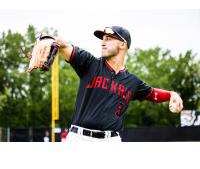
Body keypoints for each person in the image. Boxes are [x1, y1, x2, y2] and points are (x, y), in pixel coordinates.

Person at [55, 26, 183, 142]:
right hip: (79, 139)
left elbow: (153, 94)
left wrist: (171, 94)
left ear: (122, 44)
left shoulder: (133, 82)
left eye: (108, 39)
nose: (103, 43)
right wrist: (48, 40)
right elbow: (64, 47)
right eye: (102, 39)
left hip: (111, 140)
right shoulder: (89, 64)